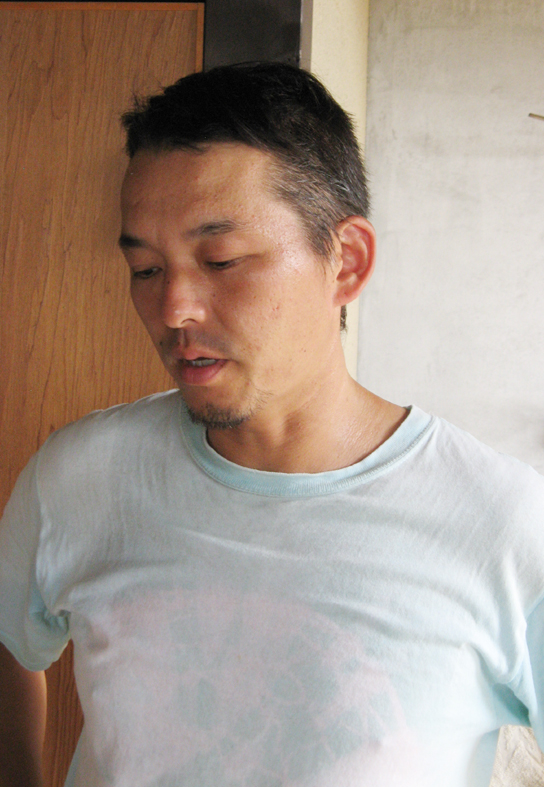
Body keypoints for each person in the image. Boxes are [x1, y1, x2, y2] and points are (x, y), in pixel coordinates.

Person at [1, 62, 544, 787]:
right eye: (146, 269)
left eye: (221, 260)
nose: (173, 309)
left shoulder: (501, 524)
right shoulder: (79, 478)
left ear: (345, 263)